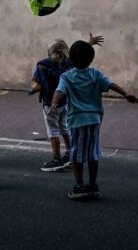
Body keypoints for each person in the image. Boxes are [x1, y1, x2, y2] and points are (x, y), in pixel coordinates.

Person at [51, 40, 138, 199]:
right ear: (91, 59)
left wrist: (54, 102)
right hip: (94, 120)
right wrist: (126, 94)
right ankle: (92, 185)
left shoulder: (67, 76)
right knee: (92, 153)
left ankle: (79, 186)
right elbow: (110, 84)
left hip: (77, 121)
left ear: (71, 58)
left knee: (77, 153)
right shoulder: (96, 74)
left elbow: (59, 91)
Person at [29, 34, 103, 172]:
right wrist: (90, 43)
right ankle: (70, 154)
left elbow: (38, 86)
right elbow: (80, 54)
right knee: (65, 128)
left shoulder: (44, 66)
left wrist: (32, 87)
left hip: (49, 104)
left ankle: (56, 158)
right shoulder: (69, 63)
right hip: (65, 103)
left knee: (53, 132)